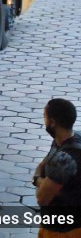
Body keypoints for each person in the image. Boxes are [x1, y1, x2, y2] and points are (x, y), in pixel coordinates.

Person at [33, 98, 81, 237]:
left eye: (45, 117)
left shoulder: (64, 159)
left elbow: (42, 198)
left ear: (52, 122)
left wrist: (37, 180)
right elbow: (43, 165)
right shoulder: (65, 141)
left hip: (62, 230)